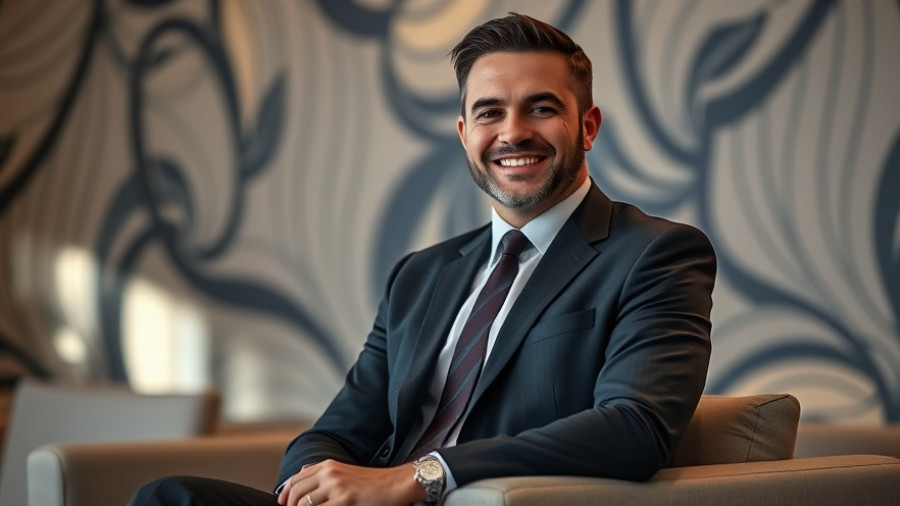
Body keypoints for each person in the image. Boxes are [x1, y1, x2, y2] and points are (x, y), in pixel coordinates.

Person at [130, 12, 716, 506]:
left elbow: (635, 430)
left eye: (541, 108)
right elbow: (335, 432)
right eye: (490, 112)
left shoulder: (654, 254)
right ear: (465, 133)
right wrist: (311, 488)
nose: (513, 132)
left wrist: (420, 477)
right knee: (169, 496)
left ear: (587, 127)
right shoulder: (420, 275)